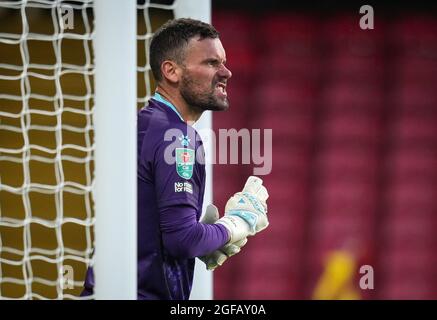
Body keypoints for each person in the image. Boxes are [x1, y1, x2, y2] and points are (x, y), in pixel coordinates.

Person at [81, 18, 269, 300]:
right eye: (210, 63)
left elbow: (154, 230)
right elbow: (183, 240)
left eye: (224, 62)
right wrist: (236, 225)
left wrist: (208, 237)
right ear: (171, 71)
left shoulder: (140, 126)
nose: (226, 72)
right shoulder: (178, 137)